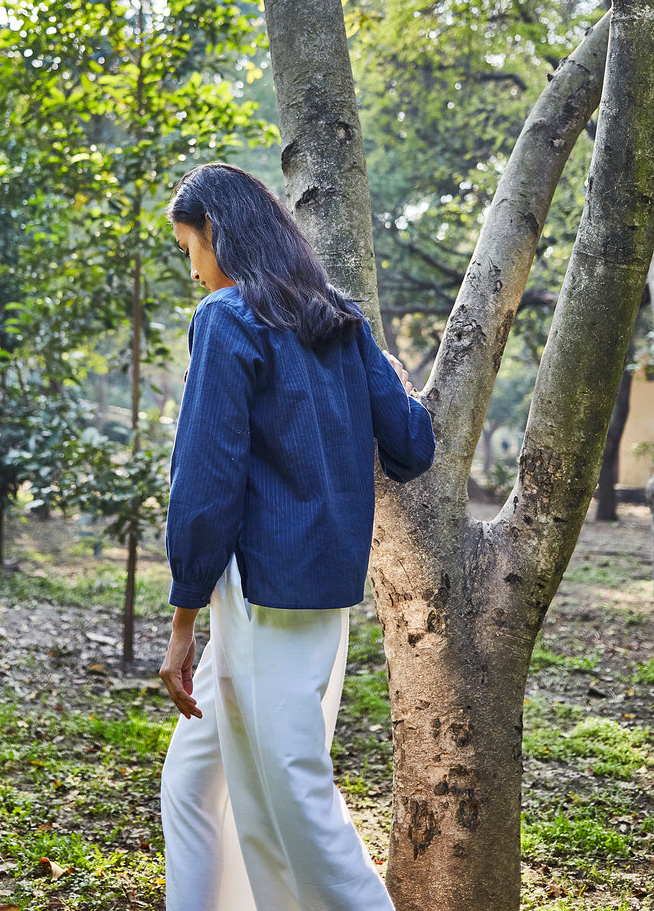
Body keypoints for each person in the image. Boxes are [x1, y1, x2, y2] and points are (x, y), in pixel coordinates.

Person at [159, 162, 435, 911]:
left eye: (191, 249)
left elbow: (206, 480)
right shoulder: (338, 317)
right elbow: (413, 443)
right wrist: (388, 370)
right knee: (192, 778)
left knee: (297, 790)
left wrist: (183, 623)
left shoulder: (227, 318)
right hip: (319, 588)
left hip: (262, 594)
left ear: (215, 231)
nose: (195, 271)